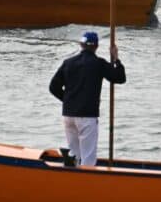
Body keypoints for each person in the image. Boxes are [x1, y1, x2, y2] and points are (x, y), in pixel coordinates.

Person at [49, 31, 126, 167]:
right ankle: (86, 183)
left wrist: (68, 101)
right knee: (88, 159)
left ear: (81, 45)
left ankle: (71, 180)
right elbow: (120, 78)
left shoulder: (68, 63)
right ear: (96, 47)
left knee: (74, 156)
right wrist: (116, 59)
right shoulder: (99, 64)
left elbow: (53, 87)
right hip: (87, 117)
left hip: (69, 116)